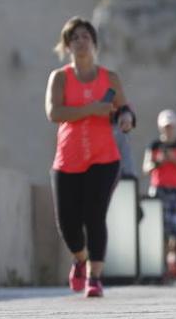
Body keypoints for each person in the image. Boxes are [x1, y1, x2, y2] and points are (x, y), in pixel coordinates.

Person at [46, 17, 133, 298]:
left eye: (85, 37)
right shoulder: (60, 78)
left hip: (104, 157)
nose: (80, 42)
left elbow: (123, 108)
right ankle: (80, 258)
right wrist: (92, 109)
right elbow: (54, 113)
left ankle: (95, 278)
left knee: (95, 216)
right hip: (67, 159)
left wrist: (127, 118)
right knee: (68, 224)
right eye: (74, 38)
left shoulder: (110, 78)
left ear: (94, 44)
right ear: (67, 46)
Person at [143, 110, 176, 283]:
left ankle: (174, 265)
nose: (168, 130)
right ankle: (161, 267)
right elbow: (146, 167)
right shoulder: (154, 146)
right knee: (160, 231)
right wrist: (159, 161)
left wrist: (173, 160)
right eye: (165, 127)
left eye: (171, 127)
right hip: (159, 190)